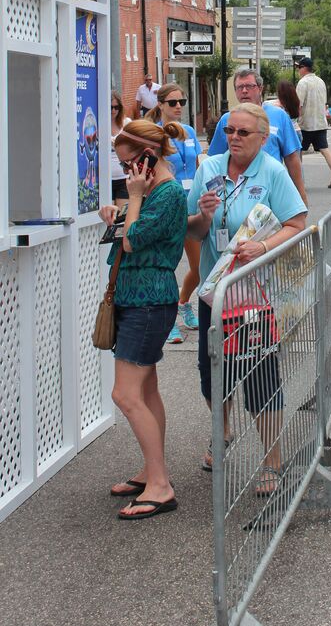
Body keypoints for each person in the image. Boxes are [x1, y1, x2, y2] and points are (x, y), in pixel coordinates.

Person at [187, 103, 307, 488]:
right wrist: (204, 216)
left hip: (256, 297)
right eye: (229, 131)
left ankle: (272, 460)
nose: (234, 138)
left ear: (262, 138)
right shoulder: (209, 169)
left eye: (243, 133)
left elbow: (297, 224)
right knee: (212, 375)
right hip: (215, 294)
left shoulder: (272, 173)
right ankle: (221, 431)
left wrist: (265, 246)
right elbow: (192, 230)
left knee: (259, 379)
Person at [98, 119, 188, 519]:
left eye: (128, 164)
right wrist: (118, 209)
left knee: (125, 395)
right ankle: (153, 471)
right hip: (138, 299)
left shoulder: (166, 192)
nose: (126, 173)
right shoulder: (152, 189)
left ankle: (160, 486)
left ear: (148, 156)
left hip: (148, 301)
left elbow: (134, 239)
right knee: (146, 390)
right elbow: (130, 224)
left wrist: (131, 200)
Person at [147, 84, 204, 344]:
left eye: (182, 100)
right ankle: (168, 321)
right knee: (167, 266)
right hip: (168, 205)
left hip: (190, 204)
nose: (178, 105)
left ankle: (183, 303)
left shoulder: (190, 131)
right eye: (172, 102)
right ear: (160, 105)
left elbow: (195, 165)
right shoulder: (153, 134)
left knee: (200, 266)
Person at [207, 70, 308, 207]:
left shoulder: (279, 116)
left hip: (271, 190)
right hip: (236, 194)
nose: (244, 91)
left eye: (249, 86)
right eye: (239, 87)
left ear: (260, 88)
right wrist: (216, 199)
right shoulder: (227, 120)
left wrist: (301, 197)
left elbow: (292, 159)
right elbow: (215, 162)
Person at [295, 56, 331, 188]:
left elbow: (299, 104)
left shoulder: (302, 83)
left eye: (299, 67)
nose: (298, 70)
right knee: (324, 149)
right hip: (321, 122)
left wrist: (295, 120)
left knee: (298, 151)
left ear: (304, 68)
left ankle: (298, 180)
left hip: (305, 123)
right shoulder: (321, 82)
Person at [110, 91, 131, 206]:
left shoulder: (126, 123)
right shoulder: (99, 123)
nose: (113, 111)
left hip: (124, 177)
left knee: (121, 216)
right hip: (106, 178)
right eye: (110, 107)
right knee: (109, 218)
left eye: (116, 107)